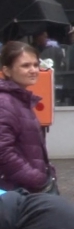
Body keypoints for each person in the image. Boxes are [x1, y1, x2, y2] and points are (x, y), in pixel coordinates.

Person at [0, 42, 56, 193]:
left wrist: (47, 172)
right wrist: (37, 179)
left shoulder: (20, 100)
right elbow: (3, 151)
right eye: (25, 66)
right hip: (18, 192)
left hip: (27, 189)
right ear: (7, 70)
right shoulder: (5, 103)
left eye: (35, 64)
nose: (33, 70)